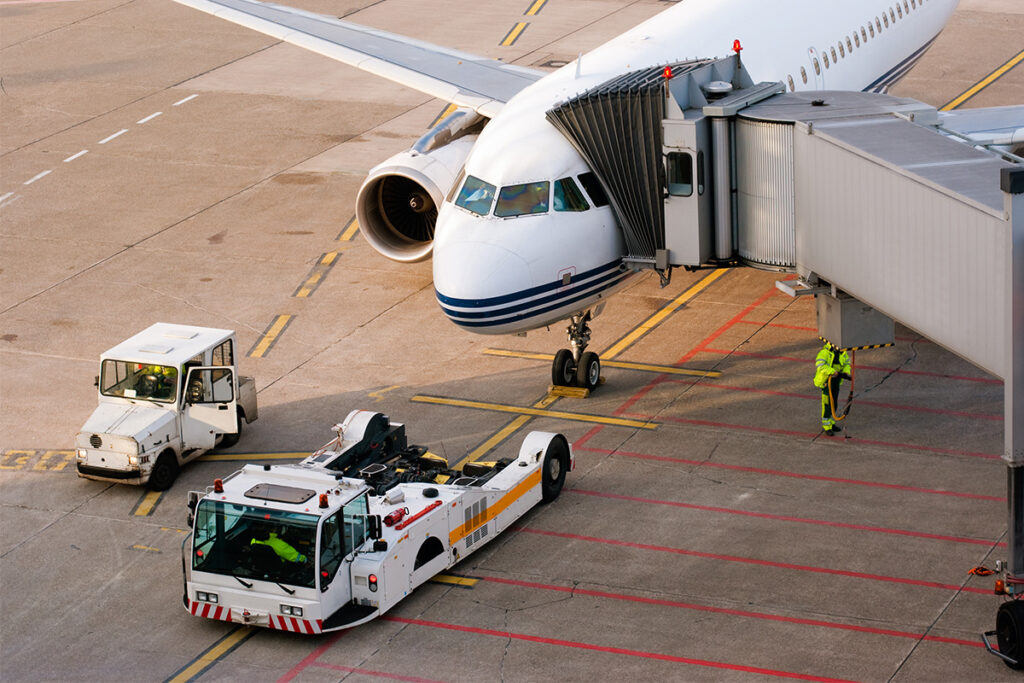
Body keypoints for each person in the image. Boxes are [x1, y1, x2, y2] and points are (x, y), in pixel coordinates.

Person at [813, 341, 851, 436]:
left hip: (836, 382)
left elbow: (847, 363)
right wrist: (833, 372)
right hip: (827, 382)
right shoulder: (825, 352)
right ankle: (827, 426)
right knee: (827, 404)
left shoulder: (843, 352)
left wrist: (846, 372)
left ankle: (831, 423)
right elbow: (820, 366)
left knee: (834, 403)